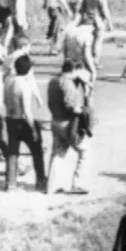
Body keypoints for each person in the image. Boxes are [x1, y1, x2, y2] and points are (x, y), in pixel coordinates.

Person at [47, 61, 94, 194]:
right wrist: (84, 109)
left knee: (58, 153)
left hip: (55, 121)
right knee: (84, 152)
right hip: (68, 124)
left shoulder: (53, 81)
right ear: (75, 70)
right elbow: (72, 108)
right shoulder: (68, 84)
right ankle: (77, 184)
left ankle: (52, 186)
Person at [3, 54, 47, 191]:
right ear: (28, 69)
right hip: (22, 120)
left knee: (12, 152)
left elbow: (4, 101)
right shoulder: (24, 86)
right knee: (37, 150)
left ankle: (10, 183)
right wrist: (33, 129)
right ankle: (40, 181)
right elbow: (27, 112)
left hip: (10, 118)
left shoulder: (8, 81)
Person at [78, 0, 113, 69]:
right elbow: (105, 10)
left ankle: (87, 60)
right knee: (98, 42)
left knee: (88, 42)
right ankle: (95, 60)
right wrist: (109, 23)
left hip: (87, 20)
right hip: (98, 20)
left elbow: (81, 9)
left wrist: (79, 21)